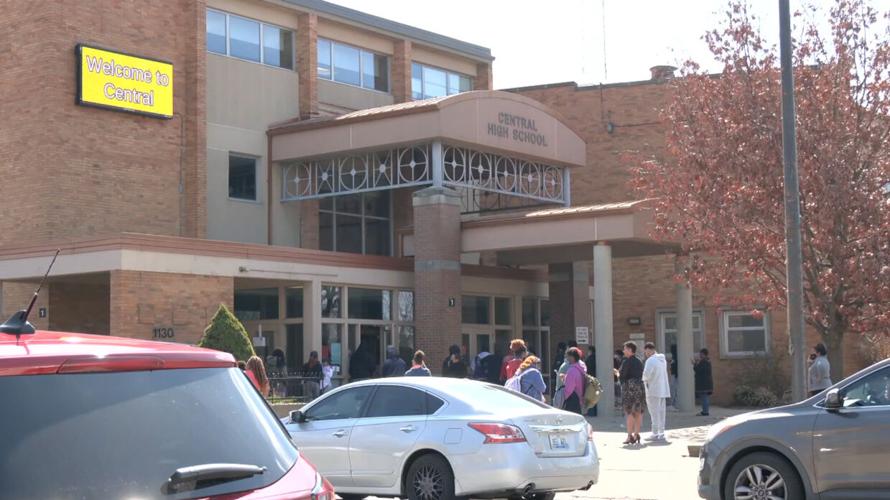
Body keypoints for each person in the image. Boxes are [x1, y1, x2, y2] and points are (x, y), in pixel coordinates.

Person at [615, 342, 645, 445]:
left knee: (629, 412)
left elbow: (623, 376)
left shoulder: (627, 362)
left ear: (630, 350)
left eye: (625, 349)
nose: (623, 351)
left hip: (629, 388)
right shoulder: (639, 361)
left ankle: (629, 436)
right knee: (638, 411)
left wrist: (617, 373)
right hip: (640, 388)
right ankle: (636, 434)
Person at [642, 342, 670, 442]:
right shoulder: (662, 360)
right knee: (662, 412)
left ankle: (655, 433)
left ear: (649, 350)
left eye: (646, 352)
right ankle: (661, 432)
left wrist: (644, 380)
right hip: (663, 389)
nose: (646, 354)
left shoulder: (650, 360)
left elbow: (646, 375)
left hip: (653, 389)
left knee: (654, 412)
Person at [563, 347, 587, 414]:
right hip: (580, 399)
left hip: (572, 400)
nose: (567, 358)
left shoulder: (572, 370)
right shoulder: (581, 368)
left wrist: (564, 398)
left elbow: (569, 389)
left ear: (572, 357)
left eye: (568, 356)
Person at [694, 348, 714, 416]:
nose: (700, 355)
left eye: (701, 354)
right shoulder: (706, 361)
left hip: (704, 384)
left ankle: (705, 412)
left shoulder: (704, 362)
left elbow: (699, 370)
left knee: (704, 398)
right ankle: (705, 411)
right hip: (706, 383)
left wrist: (695, 364)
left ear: (704, 354)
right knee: (704, 398)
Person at [585, 345, 598, 416]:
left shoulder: (589, 359)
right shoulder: (598, 358)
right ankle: (595, 412)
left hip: (590, 380)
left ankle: (591, 413)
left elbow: (587, 370)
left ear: (590, 351)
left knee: (590, 397)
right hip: (597, 380)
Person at [669, 345, 679, 410]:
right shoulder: (675, 356)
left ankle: (674, 404)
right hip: (675, 375)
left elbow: (675, 366)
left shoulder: (675, 357)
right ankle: (674, 403)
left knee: (674, 389)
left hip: (675, 375)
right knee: (674, 389)